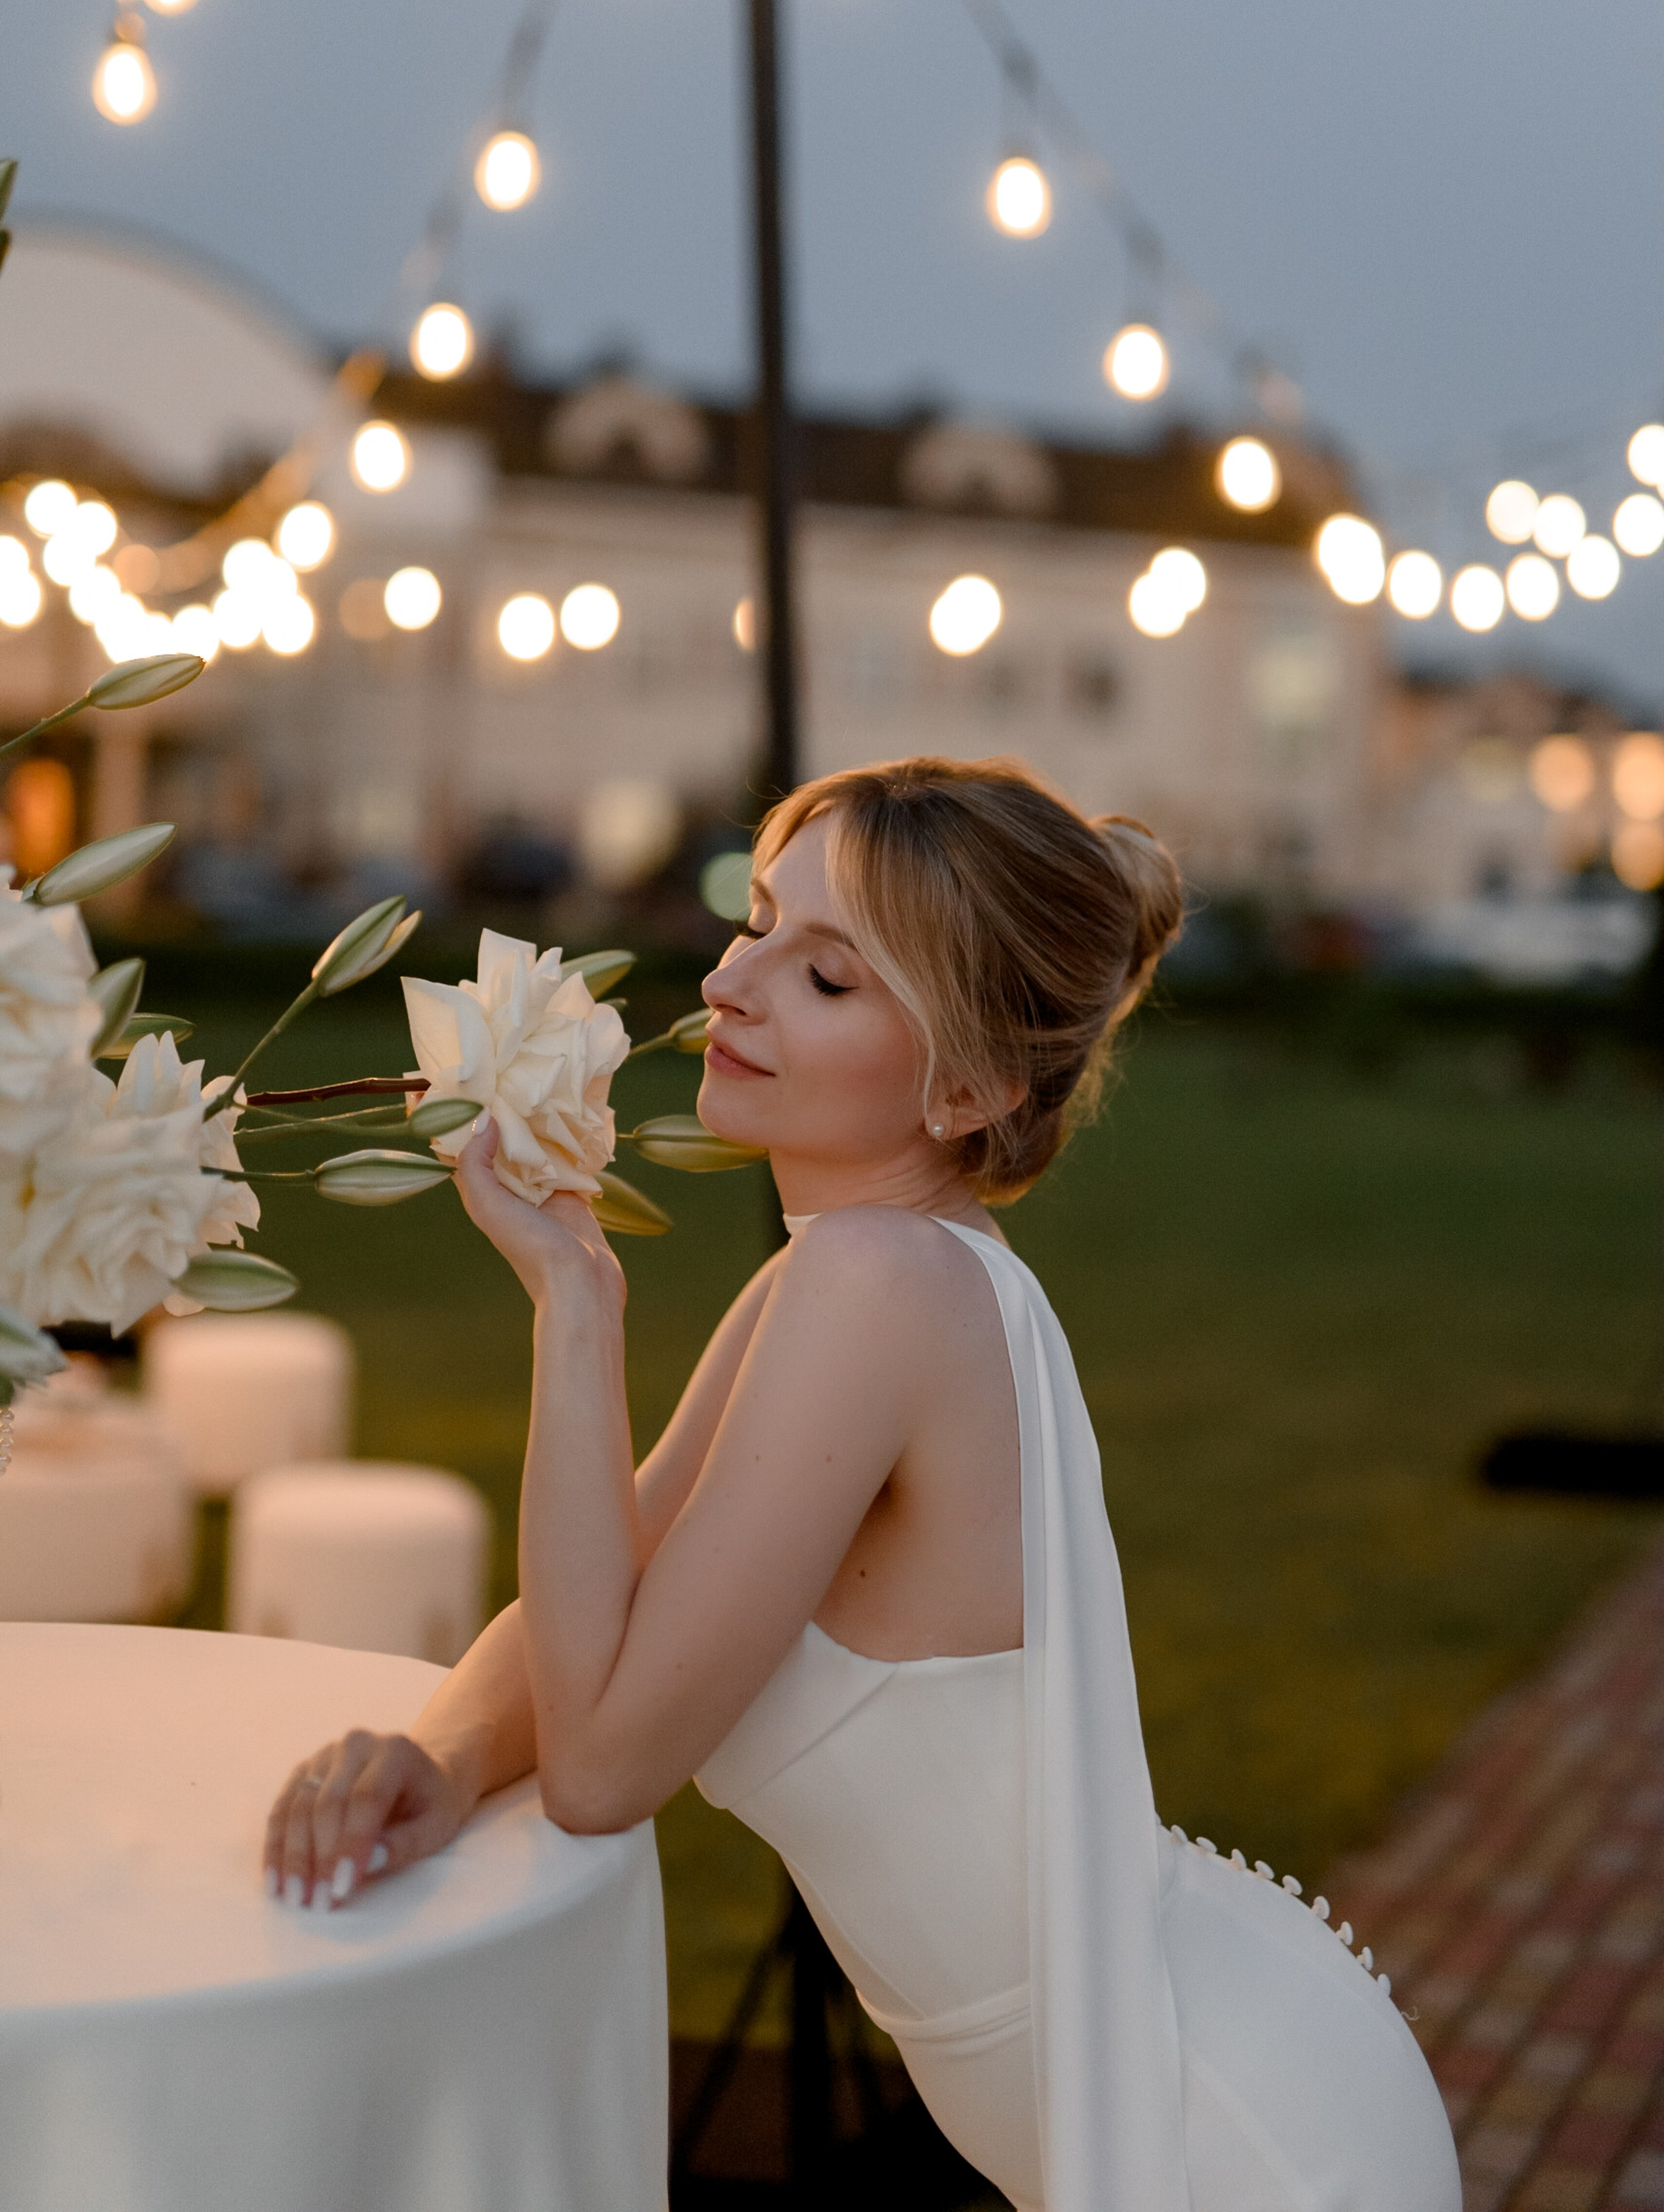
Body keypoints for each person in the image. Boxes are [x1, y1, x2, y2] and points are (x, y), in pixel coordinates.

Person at [265, 755, 1461, 2212]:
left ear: (967, 1087)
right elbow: (608, 1587)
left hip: (1228, 2139)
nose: (733, 983)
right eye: (755, 920)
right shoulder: (849, 1274)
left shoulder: (874, 1281)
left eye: (825, 977)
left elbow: (599, 1769)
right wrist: (442, 1755)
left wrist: (574, 1300)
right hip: (1209, 2044)